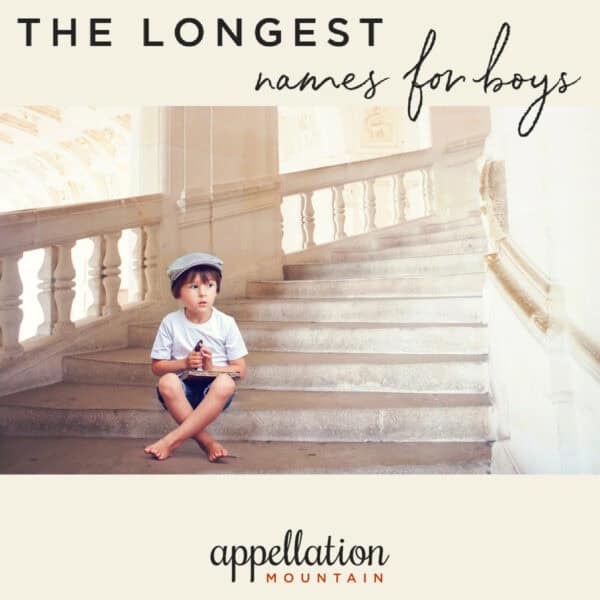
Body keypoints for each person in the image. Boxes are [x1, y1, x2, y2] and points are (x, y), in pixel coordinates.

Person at [144, 253, 248, 462]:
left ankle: (171, 440)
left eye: (209, 285)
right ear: (178, 293)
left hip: (214, 395)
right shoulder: (170, 322)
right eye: (193, 287)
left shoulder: (225, 323)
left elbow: (240, 370)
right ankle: (207, 442)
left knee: (226, 383)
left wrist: (212, 368)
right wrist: (183, 363)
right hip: (182, 393)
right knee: (166, 381)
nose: (203, 293)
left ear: (216, 288)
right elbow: (157, 367)